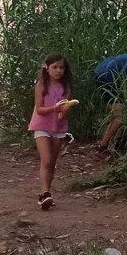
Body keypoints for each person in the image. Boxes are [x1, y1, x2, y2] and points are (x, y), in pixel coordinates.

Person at [27, 54, 79, 210]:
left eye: (61, 67)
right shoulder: (41, 85)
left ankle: (45, 194)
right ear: (47, 68)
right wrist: (54, 108)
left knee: (52, 163)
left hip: (58, 128)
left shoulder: (66, 87)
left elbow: (62, 114)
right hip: (41, 126)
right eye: (55, 67)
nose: (58, 70)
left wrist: (65, 110)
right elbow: (40, 109)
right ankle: (44, 193)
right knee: (47, 160)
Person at [93, 52, 127, 153]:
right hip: (107, 76)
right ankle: (102, 147)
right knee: (120, 117)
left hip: (102, 72)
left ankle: (110, 142)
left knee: (118, 112)